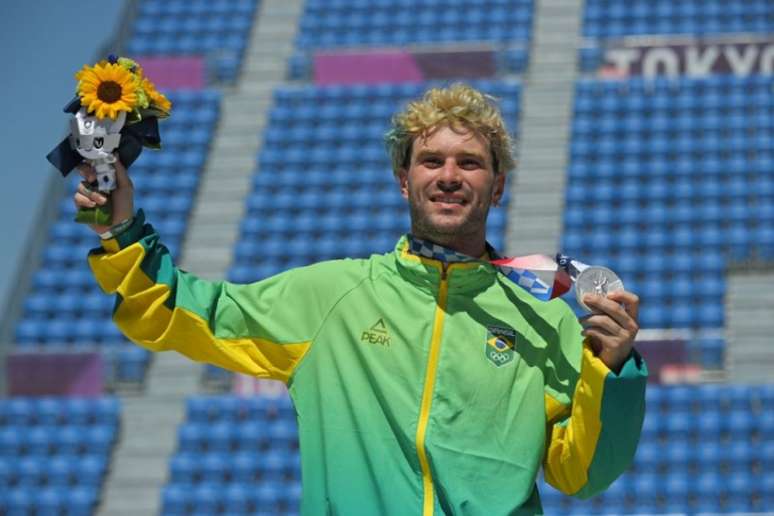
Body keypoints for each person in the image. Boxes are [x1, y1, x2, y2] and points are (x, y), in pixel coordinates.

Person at [74, 84, 647, 515]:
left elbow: (581, 473)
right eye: (432, 161)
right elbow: (180, 311)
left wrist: (611, 372)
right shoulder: (332, 295)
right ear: (404, 180)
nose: (449, 176)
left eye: (470, 163)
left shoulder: (546, 319)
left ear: (497, 186)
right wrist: (121, 231)